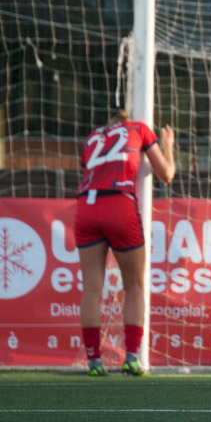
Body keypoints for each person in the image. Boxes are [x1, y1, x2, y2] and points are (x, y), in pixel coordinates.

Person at [75, 111, 176, 377]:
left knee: (92, 289)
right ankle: (131, 358)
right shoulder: (139, 128)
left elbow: (90, 167)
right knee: (134, 284)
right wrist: (168, 147)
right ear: (127, 119)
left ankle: (94, 361)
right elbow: (166, 173)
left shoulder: (92, 138)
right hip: (118, 203)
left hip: (86, 206)